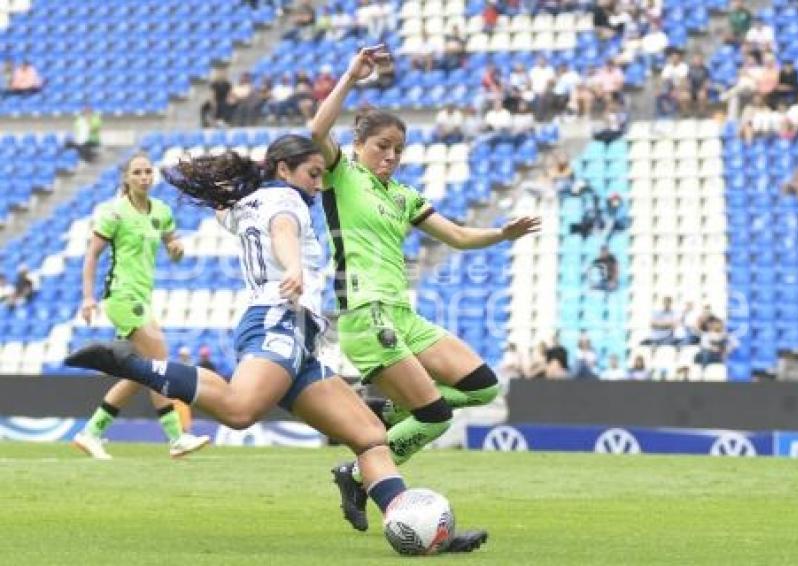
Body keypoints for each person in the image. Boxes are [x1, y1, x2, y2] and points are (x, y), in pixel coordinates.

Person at [65, 136, 486, 553]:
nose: (320, 184)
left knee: (371, 436)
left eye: (322, 175)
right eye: (313, 174)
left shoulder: (252, 202)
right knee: (239, 409)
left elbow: (228, 212)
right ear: (285, 171)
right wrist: (294, 266)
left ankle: (415, 526)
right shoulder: (285, 201)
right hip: (277, 318)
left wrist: (235, 187)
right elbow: (282, 231)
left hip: (299, 335)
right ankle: (133, 365)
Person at [310, 46, 539, 533]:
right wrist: (352, 75)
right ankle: (361, 472)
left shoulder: (404, 195)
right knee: (434, 417)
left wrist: (502, 233)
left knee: (483, 387)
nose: (390, 157)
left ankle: (383, 420)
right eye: (382, 147)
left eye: (398, 149)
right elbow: (314, 132)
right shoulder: (342, 175)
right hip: (366, 314)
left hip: (404, 316)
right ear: (359, 143)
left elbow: (456, 236)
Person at [71, 153, 209, 460]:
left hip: (143, 297)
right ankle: (177, 437)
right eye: (138, 172)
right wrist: (88, 297)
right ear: (126, 178)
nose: (145, 176)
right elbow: (91, 255)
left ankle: (90, 432)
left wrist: (176, 250)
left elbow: (174, 248)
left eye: (148, 171)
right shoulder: (114, 213)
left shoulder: (161, 211)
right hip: (121, 296)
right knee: (159, 361)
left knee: (141, 373)